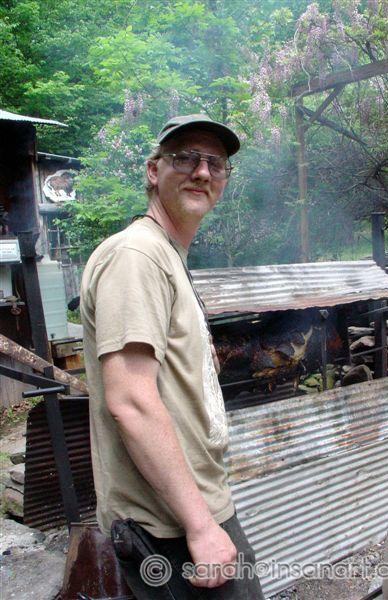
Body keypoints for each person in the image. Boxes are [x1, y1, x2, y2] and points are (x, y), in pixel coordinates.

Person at [80, 114, 264, 599]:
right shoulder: (136, 256)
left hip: (188, 510)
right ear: (152, 170)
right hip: (170, 526)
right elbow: (131, 402)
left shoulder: (166, 256)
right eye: (185, 158)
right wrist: (201, 526)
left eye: (215, 164)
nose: (202, 172)